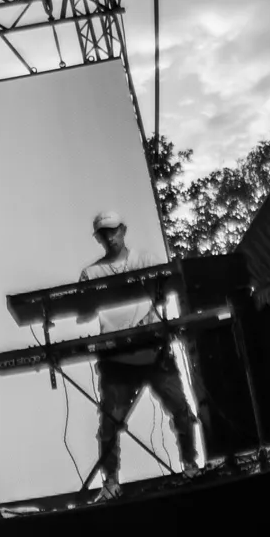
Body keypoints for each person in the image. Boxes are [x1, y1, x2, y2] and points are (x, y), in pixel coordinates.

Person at [85, 211, 201, 500]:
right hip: (117, 359)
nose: (110, 237)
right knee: (109, 424)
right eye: (104, 234)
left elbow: (165, 289)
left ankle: (190, 466)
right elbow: (83, 309)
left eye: (113, 231)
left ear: (123, 230)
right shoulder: (91, 273)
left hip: (154, 351)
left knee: (181, 408)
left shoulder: (146, 260)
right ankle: (111, 482)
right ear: (98, 238)